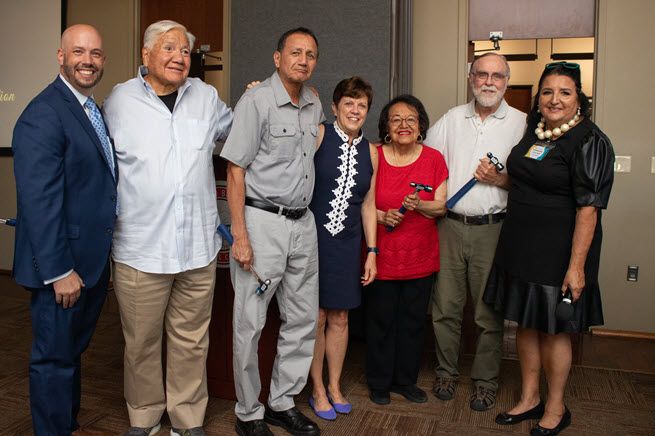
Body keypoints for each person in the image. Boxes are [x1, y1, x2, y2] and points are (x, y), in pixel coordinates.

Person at [102, 20, 233, 436]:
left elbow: (241, 133)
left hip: (197, 246)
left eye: (185, 51)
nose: (179, 57)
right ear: (145, 55)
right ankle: (143, 416)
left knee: (192, 341)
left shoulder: (207, 97)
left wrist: (261, 100)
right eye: (169, 48)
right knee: (140, 344)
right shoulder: (118, 101)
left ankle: (187, 418)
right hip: (141, 249)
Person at [484, 62, 614, 435]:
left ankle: (556, 407)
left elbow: (588, 209)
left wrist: (577, 267)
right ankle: (529, 398)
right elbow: (530, 180)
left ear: (579, 99)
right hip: (520, 243)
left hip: (559, 250)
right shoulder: (535, 130)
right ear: (538, 98)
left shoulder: (590, 140)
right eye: (547, 92)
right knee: (525, 322)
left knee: (555, 329)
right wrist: (500, 179)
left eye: (565, 92)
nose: (554, 99)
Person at [12, 24, 117, 435]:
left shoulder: (89, 109)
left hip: (87, 263)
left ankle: (66, 425)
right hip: (61, 270)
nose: (87, 61)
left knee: (70, 355)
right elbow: (40, 204)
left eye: (94, 53)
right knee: (53, 360)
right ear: (61, 57)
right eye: (78, 52)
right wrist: (59, 271)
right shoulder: (43, 113)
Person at [220, 27, 323, 436]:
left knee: (301, 319)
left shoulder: (313, 102)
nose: (303, 59)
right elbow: (235, 170)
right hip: (262, 225)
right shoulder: (256, 100)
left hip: (303, 224)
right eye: (295, 52)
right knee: (251, 321)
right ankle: (248, 412)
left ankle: (281, 402)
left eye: (311, 54)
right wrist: (240, 236)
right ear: (277, 58)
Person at [425, 52, 526, 411]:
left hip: (493, 230)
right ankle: (446, 373)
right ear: (471, 79)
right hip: (449, 227)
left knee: (488, 313)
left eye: (497, 76)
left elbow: (535, 183)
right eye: (481, 74)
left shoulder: (522, 124)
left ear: (506, 82)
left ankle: (485, 381)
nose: (488, 81)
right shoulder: (452, 119)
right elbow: (426, 163)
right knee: (445, 309)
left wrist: (500, 178)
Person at [366, 94, 448, 406]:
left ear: (421, 125)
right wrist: (382, 216)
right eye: (396, 119)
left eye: (411, 119)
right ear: (386, 126)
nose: (404, 125)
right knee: (381, 321)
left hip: (420, 256)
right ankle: (379, 382)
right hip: (382, 255)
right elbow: (359, 203)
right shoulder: (373, 155)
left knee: (413, 322)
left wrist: (421, 204)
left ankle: (405, 381)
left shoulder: (433, 159)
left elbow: (440, 206)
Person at [307, 77, 378, 420]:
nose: (355, 109)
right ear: (334, 108)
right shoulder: (319, 134)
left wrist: (373, 252)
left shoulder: (372, 151)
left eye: (361, 104)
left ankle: (335, 385)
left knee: (340, 316)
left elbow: (368, 205)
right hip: (312, 240)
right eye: (348, 103)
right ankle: (317, 388)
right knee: (316, 316)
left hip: (349, 244)